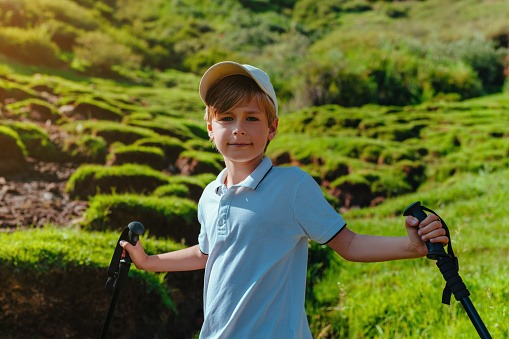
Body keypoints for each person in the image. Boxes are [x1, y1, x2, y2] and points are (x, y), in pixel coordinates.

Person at [120, 61, 449, 338]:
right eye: (226, 118)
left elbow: (349, 244)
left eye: (252, 118)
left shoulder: (292, 186)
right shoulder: (210, 194)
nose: (239, 129)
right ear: (210, 126)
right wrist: (149, 262)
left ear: (272, 127)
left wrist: (412, 247)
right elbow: (208, 254)